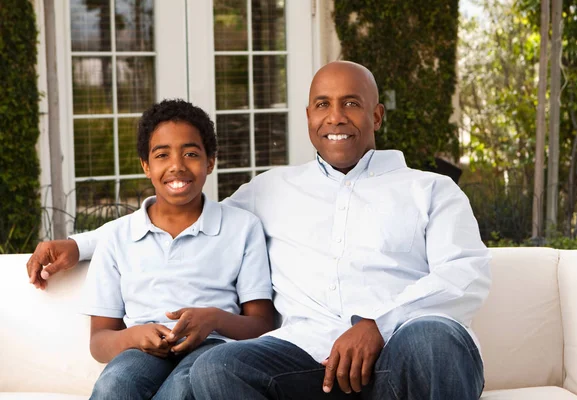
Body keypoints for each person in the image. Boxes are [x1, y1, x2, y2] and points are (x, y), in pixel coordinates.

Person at [27, 61, 491, 400]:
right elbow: (184, 208)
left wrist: (377, 324)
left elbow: (464, 276)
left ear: (377, 116)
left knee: (435, 336)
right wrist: (78, 244)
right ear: (308, 116)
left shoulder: (429, 190)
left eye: (352, 104)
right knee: (215, 367)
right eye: (323, 105)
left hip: (400, 356)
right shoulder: (272, 189)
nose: (336, 117)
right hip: (305, 364)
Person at [78, 99, 274, 400]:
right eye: (162, 155)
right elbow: (99, 342)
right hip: (140, 351)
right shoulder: (117, 236)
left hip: (213, 348)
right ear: (146, 165)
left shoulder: (243, 228)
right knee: (113, 385)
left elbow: (261, 324)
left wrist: (213, 319)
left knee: (184, 388)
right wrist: (134, 336)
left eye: (191, 153)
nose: (177, 166)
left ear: (210, 161)